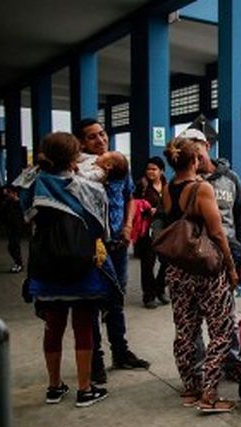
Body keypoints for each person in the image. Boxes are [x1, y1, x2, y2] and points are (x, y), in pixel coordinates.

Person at [22, 132, 112, 407]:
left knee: (53, 326)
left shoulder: (33, 183)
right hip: (80, 264)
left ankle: (54, 387)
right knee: (83, 325)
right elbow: (102, 228)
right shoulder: (87, 187)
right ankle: (85, 389)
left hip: (46, 264)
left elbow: (25, 215)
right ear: (75, 158)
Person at [161, 137, 239, 413]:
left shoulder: (168, 188)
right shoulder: (201, 188)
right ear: (195, 160)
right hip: (205, 271)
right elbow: (217, 232)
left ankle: (191, 389)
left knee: (185, 331)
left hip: (178, 270)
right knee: (221, 330)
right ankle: (209, 394)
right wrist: (231, 267)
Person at [72, 118, 150, 383]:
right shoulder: (79, 170)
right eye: (92, 136)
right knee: (92, 301)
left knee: (116, 299)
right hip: (91, 247)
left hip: (117, 245)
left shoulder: (119, 164)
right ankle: (95, 360)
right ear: (81, 142)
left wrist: (128, 226)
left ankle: (121, 351)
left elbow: (129, 197)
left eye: (102, 134)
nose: (101, 140)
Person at [182, 127, 241, 379]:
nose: (193, 153)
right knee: (191, 320)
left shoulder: (231, 179)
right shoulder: (183, 181)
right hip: (192, 261)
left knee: (226, 316)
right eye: (187, 148)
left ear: (207, 146)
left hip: (225, 258)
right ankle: (200, 370)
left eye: (196, 146)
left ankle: (231, 362)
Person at [133, 156, 168, 308]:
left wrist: (160, 210)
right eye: (148, 169)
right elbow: (133, 204)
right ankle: (149, 296)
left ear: (161, 171)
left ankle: (160, 288)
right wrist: (146, 209)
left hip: (164, 228)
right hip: (146, 229)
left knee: (167, 261)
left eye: (154, 169)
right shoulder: (142, 185)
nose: (150, 172)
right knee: (148, 263)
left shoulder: (168, 186)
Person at [0, 186, 25, 273]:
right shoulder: (8, 203)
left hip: (17, 228)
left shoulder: (19, 203)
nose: (7, 195)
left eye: (9, 193)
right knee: (11, 247)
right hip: (11, 227)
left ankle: (19, 264)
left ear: (14, 193)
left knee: (14, 246)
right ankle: (18, 263)